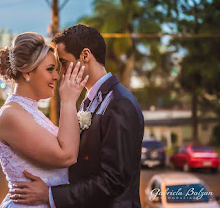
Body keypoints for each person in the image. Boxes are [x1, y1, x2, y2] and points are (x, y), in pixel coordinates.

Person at [10, 24, 144, 208]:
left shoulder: (119, 103)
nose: (61, 73)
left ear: (85, 56)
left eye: (63, 63)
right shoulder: (89, 101)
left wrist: (51, 195)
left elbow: (114, 180)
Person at [0, 32, 88, 208]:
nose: (57, 76)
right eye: (50, 69)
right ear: (27, 71)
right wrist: (67, 101)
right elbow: (66, 156)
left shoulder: (30, 111)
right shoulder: (11, 115)